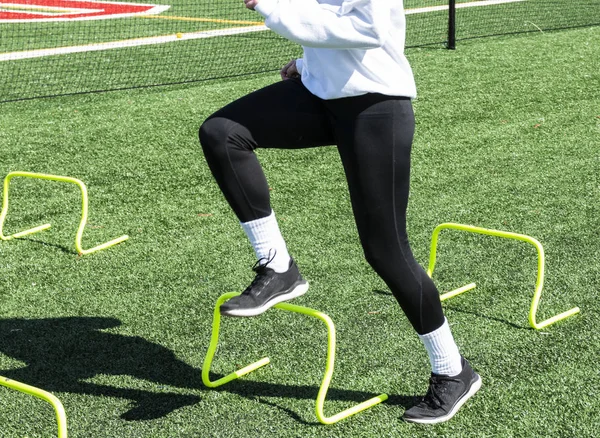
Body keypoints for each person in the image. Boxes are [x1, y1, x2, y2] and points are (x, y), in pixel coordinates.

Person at [199, 0, 481, 424]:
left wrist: (271, 8)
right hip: (319, 94)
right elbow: (322, 19)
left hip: (377, 105)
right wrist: (307, 65)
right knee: (222, 134)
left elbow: (367, 29)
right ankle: (278, 267)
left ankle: (453, 371)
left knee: (386, 252)